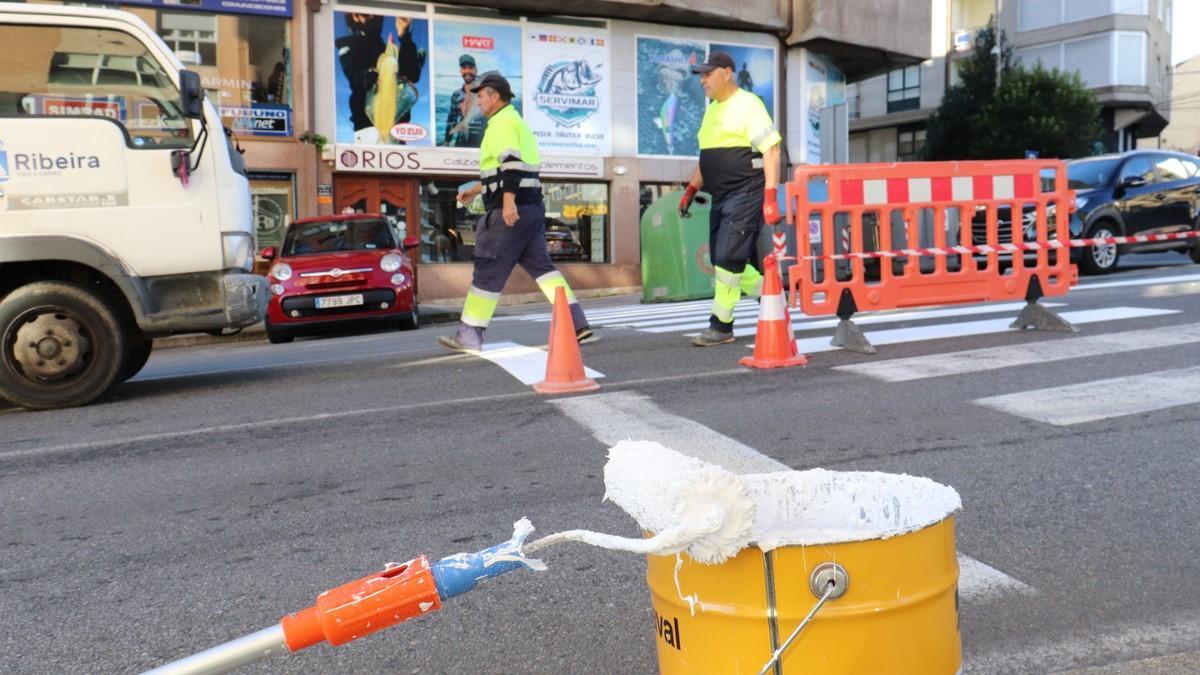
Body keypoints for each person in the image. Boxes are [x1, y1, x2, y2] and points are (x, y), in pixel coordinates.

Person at [438, 72, 594, 353]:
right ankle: (577, 324)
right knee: (543, 269)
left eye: (481, 96)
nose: (478, 101)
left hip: (509, 212)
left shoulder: (501, 123)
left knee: (487, 270)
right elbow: (510, 169)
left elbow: (510, 164)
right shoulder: (517, 123)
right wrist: (477, 188)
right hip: (532, 208)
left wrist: (508, 203)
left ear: (495, 96)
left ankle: (469, 337)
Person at [678, 51, 783, 346]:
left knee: (727, 256)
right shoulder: (712, 110)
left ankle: (721, 325)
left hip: (746, 190)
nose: (703, 80)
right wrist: (691, 190)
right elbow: (708, 158)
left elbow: (771, 150)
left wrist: (771, 196)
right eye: (701, 75)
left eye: (708, 74)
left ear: (726, 73)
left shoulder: (749, 104)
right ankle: (772, 295)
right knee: (721, 258)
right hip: (721, 195)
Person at [444, 54, 485, 147]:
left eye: (470, 68)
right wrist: (447, 142)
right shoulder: (456, 95)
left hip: (482, 143)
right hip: (461, 142)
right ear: (460, 71)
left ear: (476, 70)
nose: (467, 71)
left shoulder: (485, 91)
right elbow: (451, 120)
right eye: (464, 68)